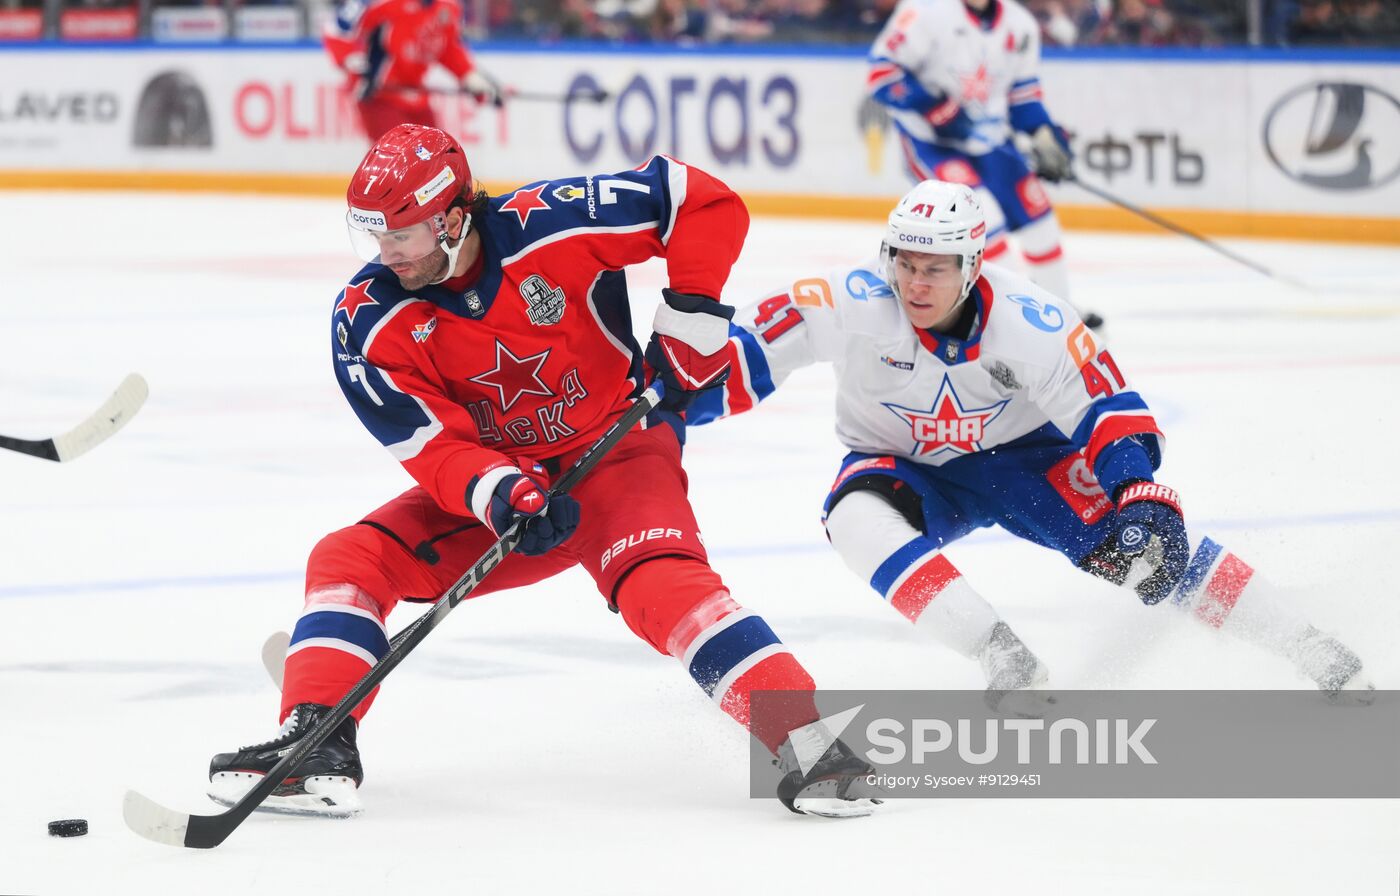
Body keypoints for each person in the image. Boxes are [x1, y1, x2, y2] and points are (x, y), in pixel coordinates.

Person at [206, 124, 878, 820]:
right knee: (352, 558)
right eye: (376, 237)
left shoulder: (549, 221)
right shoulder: (368, 319)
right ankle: (317, 747)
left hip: (620, 454)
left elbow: (701, 201)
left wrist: (693, 315)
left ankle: (814, 746)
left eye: (400, 235)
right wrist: (501, 493)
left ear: (453, 217)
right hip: (509, 489)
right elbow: (430, 447)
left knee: (663, 585)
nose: (387, 254)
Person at [688, 179, 1373, 708]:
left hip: (1027, 460)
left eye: (936, 268)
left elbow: (1106, 405)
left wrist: (1135, 489)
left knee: (1146, 558)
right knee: (851, 516)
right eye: (905, 263)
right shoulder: (843, 299)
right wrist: (677, 402)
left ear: (974, 263)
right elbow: (743, 360)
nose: (915, 284)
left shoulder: (1034, 322)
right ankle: (1002, 654)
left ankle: (1308, 643)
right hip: (900, 464)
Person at [867, 0, 1103, 329]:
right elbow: (881, 75)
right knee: (984, 220)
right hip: (932, 143)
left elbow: (1024, 98)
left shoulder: (1020, 25)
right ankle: (1012, 318)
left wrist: (1044, 135)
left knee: (1040, 220)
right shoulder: (923, 11)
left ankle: (1059, 311)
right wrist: (934, 107)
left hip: (991, 143)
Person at [324, 0, 503, 142]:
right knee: (397, 159)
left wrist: (469, 77)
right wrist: (353, 63)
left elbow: (447, 48)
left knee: (437, 154)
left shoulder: (448, 7)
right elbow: (337, 29)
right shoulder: (378, 3)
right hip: (380, 96)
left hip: (415, 95)